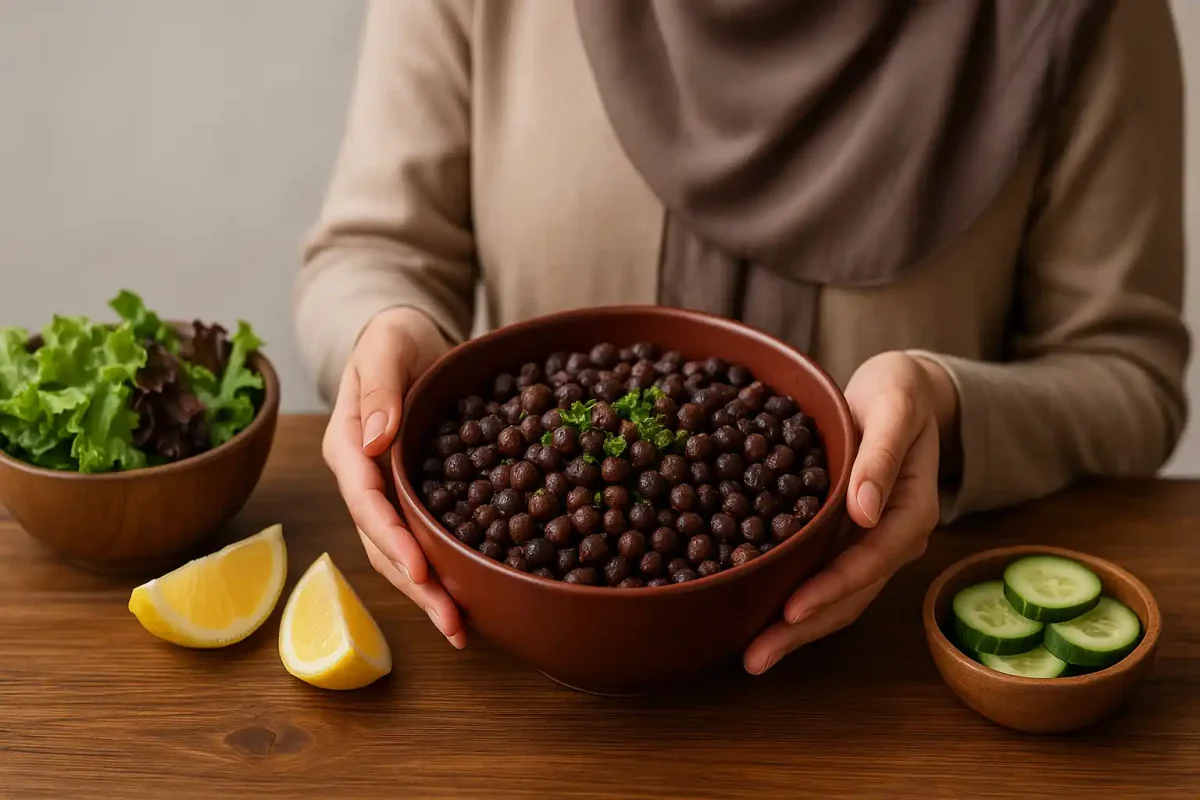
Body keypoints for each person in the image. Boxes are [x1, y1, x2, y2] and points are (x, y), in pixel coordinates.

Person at [295, 0, 1189, 675]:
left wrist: (946, 408)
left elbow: (1128, 370)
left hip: (881, 677)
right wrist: (387, 336)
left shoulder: (1087, 16)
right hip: (525, 686)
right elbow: (375, 253)